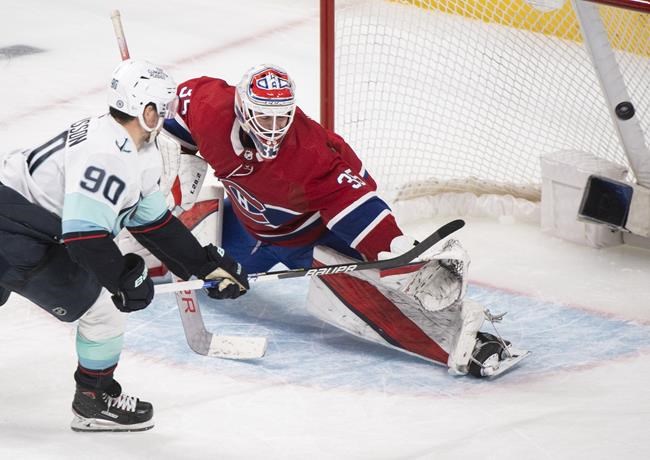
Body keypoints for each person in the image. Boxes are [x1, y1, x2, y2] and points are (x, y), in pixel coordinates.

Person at [161, 64, 525, 378]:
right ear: (242, 109)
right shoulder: (209, 107)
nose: (273, 129)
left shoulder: (310, 153)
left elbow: (357, 205)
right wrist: (183, 170)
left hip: (309, 239)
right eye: (264, 118)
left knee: (372, 293)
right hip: (247, 226)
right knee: (201, 274)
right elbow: (176, 123)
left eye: (281, 118)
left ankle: (470, 341)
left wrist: (396, 248)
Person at [0, 59, 249, 432]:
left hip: (18, 215)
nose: (166, 116)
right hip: (15, 231)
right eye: (161, 108)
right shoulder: (110, 155)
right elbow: (83, 236)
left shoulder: (131, 146)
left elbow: (153, 223)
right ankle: (94, 400)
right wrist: (121, 280)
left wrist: (204, 265)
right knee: (103, 310)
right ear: (143, 109)